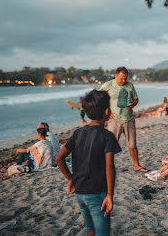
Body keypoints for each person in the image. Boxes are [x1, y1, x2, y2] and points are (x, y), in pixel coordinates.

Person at [56, 90, 121, 236]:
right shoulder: (107, 136)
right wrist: (110, 195)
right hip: (97, 193)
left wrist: (70, 178)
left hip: (80, 192)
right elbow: (109, 166)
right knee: (102, 232)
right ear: (107, 111)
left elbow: (59, 158)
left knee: (89, 228)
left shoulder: (78, 133)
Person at [100, 66, 148, 173]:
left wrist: (132, 105)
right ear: (115, 75)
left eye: (125, 78)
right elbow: (98, 99)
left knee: (132, 144)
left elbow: (136, 99)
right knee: (110, 145)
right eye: (121, 78)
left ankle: (136, 165)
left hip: (129, 119)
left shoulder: (130, 86)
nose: (123, 81)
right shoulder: (107, 85)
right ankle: (106, 166)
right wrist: (106, 112)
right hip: (114, 120)